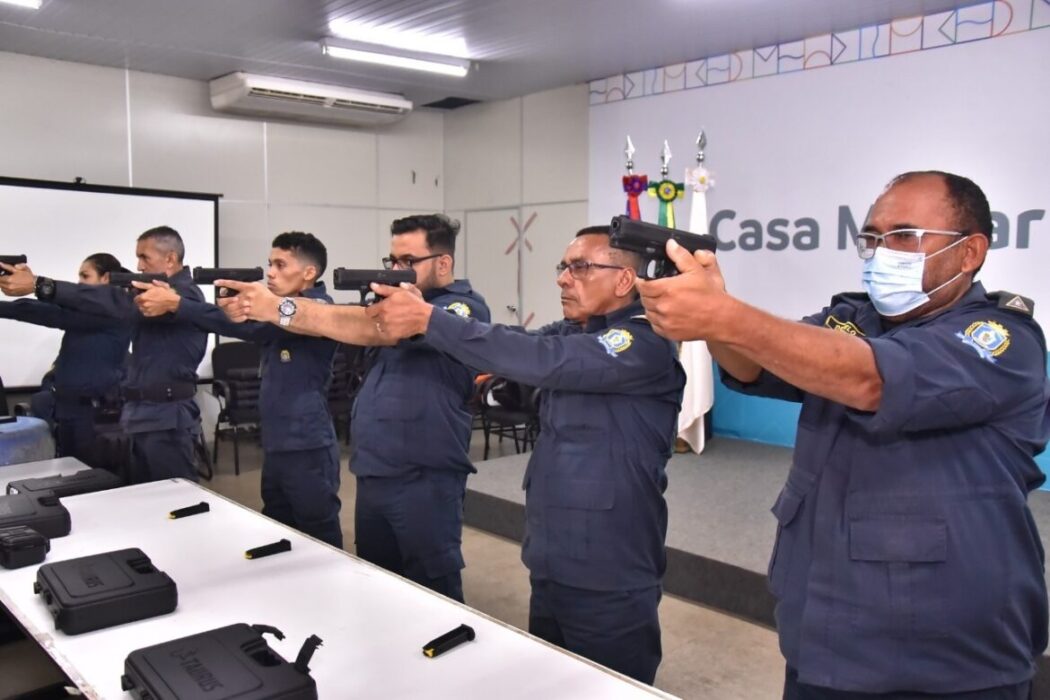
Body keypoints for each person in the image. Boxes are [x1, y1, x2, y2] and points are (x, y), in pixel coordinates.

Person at [636, 171, 1050, 698]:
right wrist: (717, 317)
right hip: (825, 637)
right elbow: (752, 366)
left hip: (944, 660)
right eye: (872, 238)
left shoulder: (1002, 340)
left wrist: (728, 316)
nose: (880, 252)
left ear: (969, 254)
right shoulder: (850, 318)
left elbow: (871, 377)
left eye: (903, 235)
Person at [366, 225, 686, 685]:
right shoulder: (578, 330)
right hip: (552, 561)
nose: (563, 278)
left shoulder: (644, 342)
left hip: (611, 571)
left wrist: (432, 320)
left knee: (609, 687)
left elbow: (549, 361)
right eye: (563, 267)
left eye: (580, 267)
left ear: (623, 281)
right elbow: (520, 343)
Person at [215, 214, 489, 602]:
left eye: (408, 262)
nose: (396, 270)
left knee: (434, 589)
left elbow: (382, 328)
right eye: (391, 260)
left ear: (443, 263)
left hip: (424, 476)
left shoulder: (463, 308)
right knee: (375, 582)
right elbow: (348, 323)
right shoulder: (389, 306)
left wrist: (281, 308)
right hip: (374, 469)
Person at [135, 232, 343, 548]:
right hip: (277, 441)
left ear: (309, 272)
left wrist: (179, 304)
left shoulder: (316, 309)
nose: (270, 272)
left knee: (318, 530)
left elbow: (252, 326)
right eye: (269, 263)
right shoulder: (280, 310)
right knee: (278, 526)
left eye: (280, 264)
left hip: (307, 443)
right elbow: (245, 322)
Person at [0, 226, 208, 483]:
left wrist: (39, 285)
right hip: (141, 416)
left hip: (161, 418)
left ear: (170, 258)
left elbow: (67, 309)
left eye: (145, 257)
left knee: (175, 495)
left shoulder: (181, 296)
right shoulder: (145, 298)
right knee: (147, 498)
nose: (139, 266)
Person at [0, 253, 131, 468]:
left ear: (106, 278)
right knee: (73, 480)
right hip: (70, 413)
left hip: (97, 419)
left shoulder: (115, 311)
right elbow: (46, 311)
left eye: (85, 276)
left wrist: (35, 285)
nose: (79, 283)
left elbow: (47, 313)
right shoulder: (83, 314)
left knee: (96, 485)